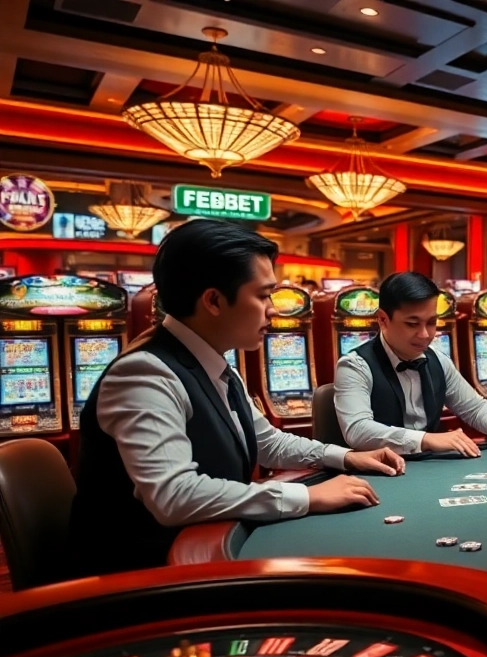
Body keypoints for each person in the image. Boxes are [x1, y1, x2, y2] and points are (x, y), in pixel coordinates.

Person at [68, 220, 406, 578]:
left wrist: (347, 457)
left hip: (198, 552)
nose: (273, 309)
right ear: (213, 300)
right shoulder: (144, 374)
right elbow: (174, 496)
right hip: (138, 580)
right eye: (262, 295)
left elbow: (267, 442)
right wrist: (308, 497)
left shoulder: (212, 362)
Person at [333, 271, 487, 455]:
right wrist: (425, 439)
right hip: (377, 474)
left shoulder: (439, 361)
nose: (425, 335)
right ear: (383, 319)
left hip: (430, 468)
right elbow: (357, 430)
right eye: (412, 324)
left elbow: (473, 407)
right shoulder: (354, 366)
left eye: (432, 322)